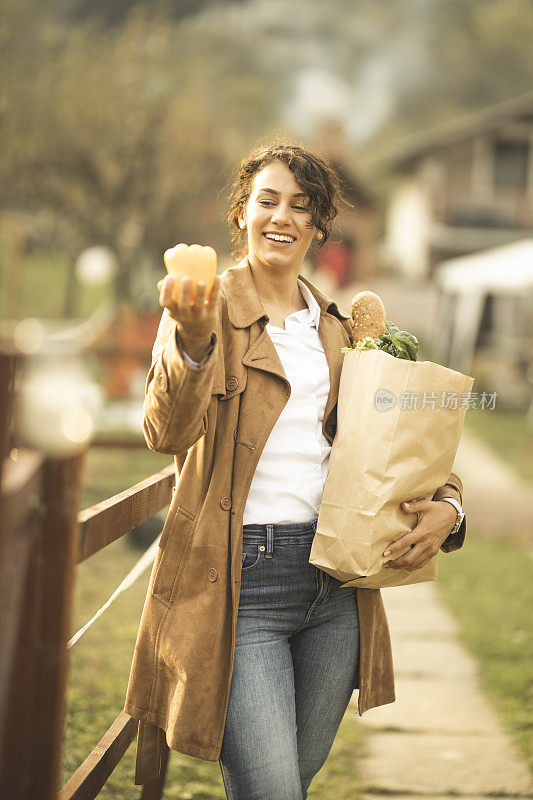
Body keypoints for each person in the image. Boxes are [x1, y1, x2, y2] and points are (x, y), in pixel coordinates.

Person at [124, 143, 466, 799]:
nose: (282, 217)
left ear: (318, 227)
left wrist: (450, 507)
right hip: (238, 588)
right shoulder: (205, 310)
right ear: (242, 213)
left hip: (334, 588)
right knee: (272, 789)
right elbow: (164, 431)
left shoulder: (339, 329)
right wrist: (192, 344)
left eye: (300, 207)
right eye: (268, 200)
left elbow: (402, 443)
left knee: (291, 783)